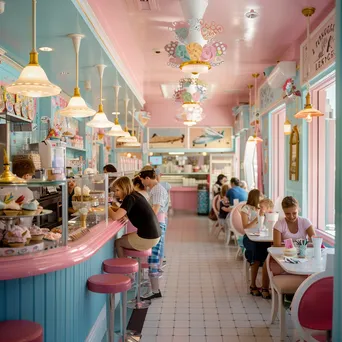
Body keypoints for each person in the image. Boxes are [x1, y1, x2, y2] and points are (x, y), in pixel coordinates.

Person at [108, 177, 162, 298]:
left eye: (117, 190)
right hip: (154, 235)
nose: (116, 193)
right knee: (125, 237)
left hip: (148, 237)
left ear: (124, 188)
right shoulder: (135, 195)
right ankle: (130, 270)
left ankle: (127, 275)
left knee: (118, 243)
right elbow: (125, 211)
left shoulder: (129, 198)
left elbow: (116, 216)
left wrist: (106, 207)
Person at [139, 168, 168, 300]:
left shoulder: (157, 190)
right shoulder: (156, 189)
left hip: (157, 224)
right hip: (158, 224)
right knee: (153, 258)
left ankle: (155, 290)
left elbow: (154, 210)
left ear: (147, 179)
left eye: (142, 179)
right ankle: (154, 289)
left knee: (153, 259)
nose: (142, 182)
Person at [241, 189, 271, 299]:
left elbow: (267, 224)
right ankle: (253, 285)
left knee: (268, 255)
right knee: (256, 257)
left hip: (261, 237)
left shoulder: (262, 208)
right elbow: (245, 226)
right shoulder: (246, 208)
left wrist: (265, 214)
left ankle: (265, 286)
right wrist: (258, 218)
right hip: (249, 238)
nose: (262, 197)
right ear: (255, 197)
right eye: (261, 196)